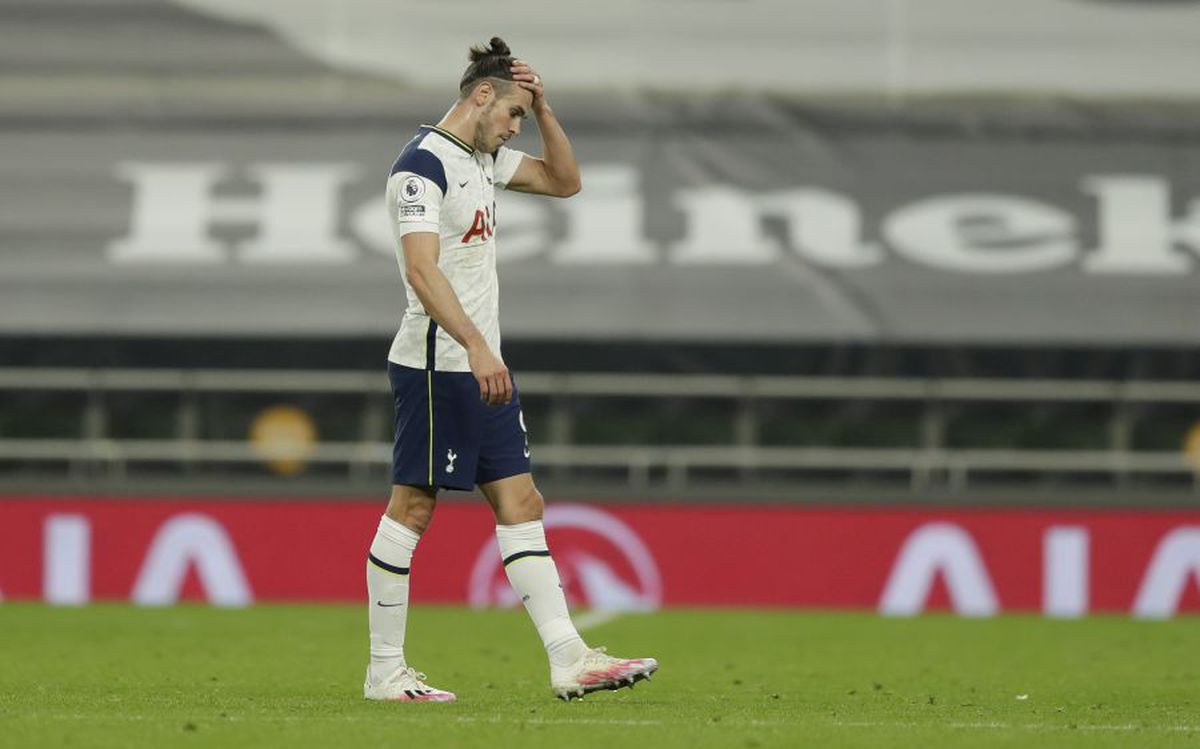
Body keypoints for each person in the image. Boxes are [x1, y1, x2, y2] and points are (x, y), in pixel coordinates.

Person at [364, 37, 658, 703]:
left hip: (481, 360)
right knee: (412, 507)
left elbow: (565, 182)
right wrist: (474, 344)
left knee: (522, 501)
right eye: (516, 113)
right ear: (481, 95)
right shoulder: (420, 168)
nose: (516, 126)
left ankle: (569, 657)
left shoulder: (483, 159)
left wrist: (548, 108)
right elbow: (420, 269)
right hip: (441, 362)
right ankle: (384, 670)